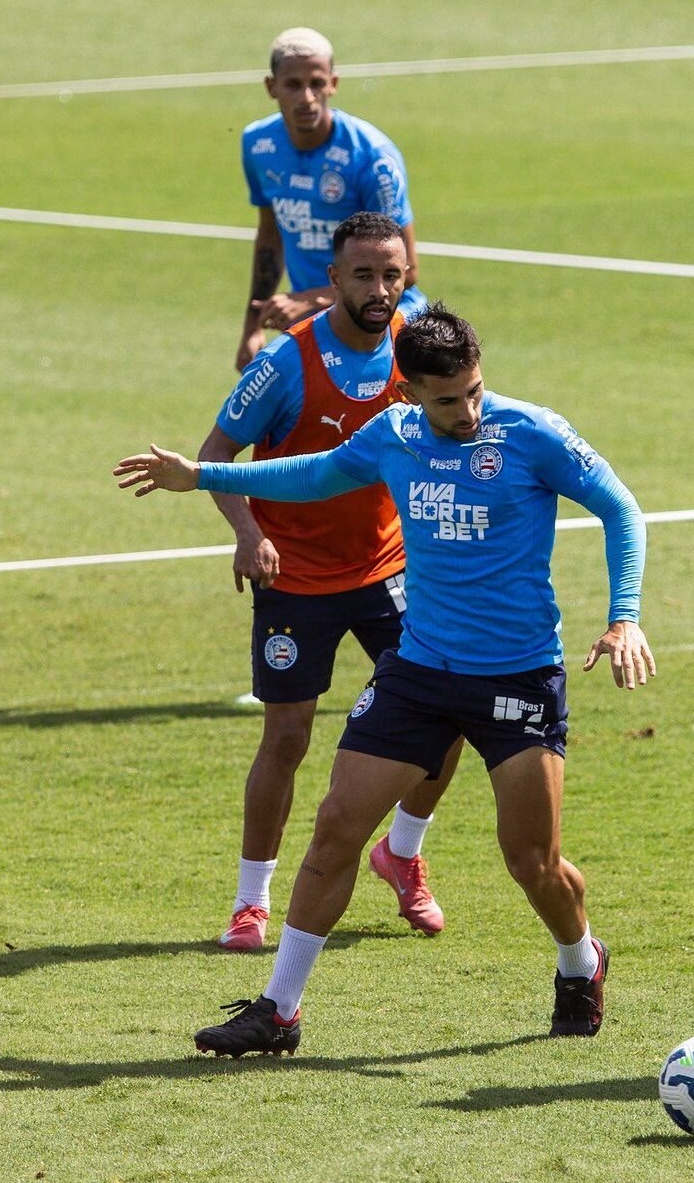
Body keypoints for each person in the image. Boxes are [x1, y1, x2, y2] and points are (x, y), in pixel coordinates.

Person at [117, 304, 654, 1056]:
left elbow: (622, 510)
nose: (467, 412)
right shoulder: (392, 435)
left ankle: (579, 959)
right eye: (447, 400)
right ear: (407, 393)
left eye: (474, 391)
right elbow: (313, 474)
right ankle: (279, 1009)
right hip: (419, 672)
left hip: (519, 676)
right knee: (338, 826)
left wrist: (624, 617)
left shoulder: (532, 433)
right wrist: (202, 475)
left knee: (532, 863)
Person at [202, 211, 455, 954]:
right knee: (287, 738)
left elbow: (455, 426)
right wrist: (249, 534)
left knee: (447, 717)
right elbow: (215, 456)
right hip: (296, 576)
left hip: (387, 569)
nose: (380, 289)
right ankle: (251, 903)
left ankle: (401, 853)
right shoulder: (286, 364)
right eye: (364, 275)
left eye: (392, 274)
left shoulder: (417, 345)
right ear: (333, 279)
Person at [237, 27, 417, 372]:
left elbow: (408, 272)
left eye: (316, 83)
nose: (307, 97)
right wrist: (252, 328)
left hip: (382, 325)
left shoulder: (373, 158)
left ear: (333, 84)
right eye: (293, 85)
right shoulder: (258, 145)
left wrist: (310, 299)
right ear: (271, 87)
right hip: (316, 325)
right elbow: (270, 238)